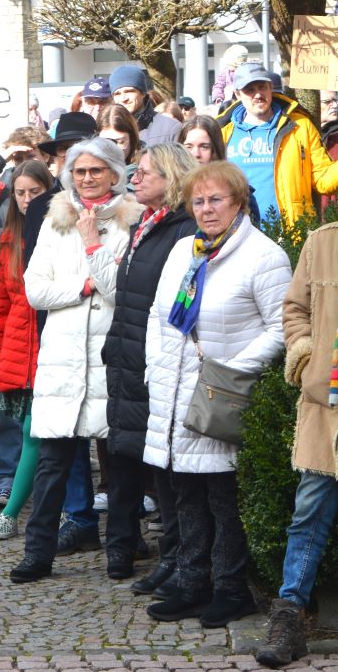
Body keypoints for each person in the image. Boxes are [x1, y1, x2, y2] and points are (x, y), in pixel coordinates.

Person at [144, 160, 290, 626]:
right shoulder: (186, 249)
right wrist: (154, 367)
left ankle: (230, 588)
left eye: (216, 200)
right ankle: (192, 579)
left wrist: (232, 370)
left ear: (239, 202)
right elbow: (157, 314)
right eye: (198, 201)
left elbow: (282, 327)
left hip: (223, 395)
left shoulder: (263, 256)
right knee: (185, 489)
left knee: (223, 496)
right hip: (176, 390)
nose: (206, 209)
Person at [8, 138, 141, 583]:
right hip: (63, 358)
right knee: (53, 463)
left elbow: (123, 291)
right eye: (80, 171)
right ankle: (37, 552)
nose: (87, 179)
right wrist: (81, 289)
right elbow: (36, 290)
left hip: (111, 357)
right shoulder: (53, 220)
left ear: (114, 173)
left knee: (119, 464)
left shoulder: (131, 222)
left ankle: (121, 549)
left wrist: (91, 246)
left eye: (96, 171)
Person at [97, 144, 196, 584]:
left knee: (164, 466)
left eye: (145, 173)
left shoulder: (183, 229)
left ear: (172, 177)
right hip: (127, 355)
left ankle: (172, 559)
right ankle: (120, 549)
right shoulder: (145, 223)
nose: (134, 179)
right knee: (122, 456)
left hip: (154, 360)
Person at [258, 221, 338, 666]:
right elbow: (294, 308)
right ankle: (289, 617)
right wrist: (307, 358)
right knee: (309, 515)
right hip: (328, 408)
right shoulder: (323, 240)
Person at [0, 160, 54, 541]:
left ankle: (13, 513)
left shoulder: (58, 231)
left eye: (34, 192)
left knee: (35, 433)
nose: (26, 200)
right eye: (19, 193)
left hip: (51, 349)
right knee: (30, 432)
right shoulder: (6, 237)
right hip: (17, 351)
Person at [217, 61, 338, 226]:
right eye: (250, 90)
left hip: (291, 236)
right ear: (238, 94)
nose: (258, 94)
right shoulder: (222, 132)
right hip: (238, 234)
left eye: (262, 87)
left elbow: (323, 179)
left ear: (270, 87)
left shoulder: (300, 126)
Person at [110, 65, 180, 145]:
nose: (123, 98)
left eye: (129, 91)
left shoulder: (171, 128)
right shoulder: (108, 129)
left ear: (143, 93)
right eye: (117, 94)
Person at [97, 104, 142, 178]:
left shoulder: (148, 168)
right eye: (106, 142)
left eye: (120, 142)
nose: (113, 149)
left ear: (132, 139)